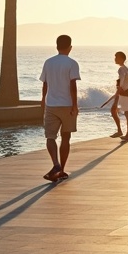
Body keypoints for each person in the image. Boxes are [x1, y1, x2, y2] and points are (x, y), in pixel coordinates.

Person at [39, 34, 80, 182]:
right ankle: (61, 169)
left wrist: (43, 100)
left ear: (56, 46)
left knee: (50, 137)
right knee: (66, 137)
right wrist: (75, 105)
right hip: (67, 105)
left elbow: (45, 84)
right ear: (70, 47)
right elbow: (73, 86)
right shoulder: (72, 63)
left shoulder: (48, 62)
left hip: (51, 104)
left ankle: (55, 164)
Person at [109, 51, 128, 142]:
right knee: (114, 109)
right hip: (126, 93)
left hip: (123, 93)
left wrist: (120, 89)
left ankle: (127, 134)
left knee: (127, 113)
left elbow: (123, 78)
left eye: (116, 57)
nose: (115, 59)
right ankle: (120, 131)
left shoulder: (122, 69)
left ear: (121, 58)